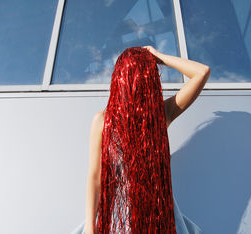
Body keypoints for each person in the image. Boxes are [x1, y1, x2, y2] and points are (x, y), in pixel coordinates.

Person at [71, 46, 210, 234]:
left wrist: (159, 57)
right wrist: (90, 225)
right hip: (117, 215)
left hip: (159, 216)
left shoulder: (159, 116)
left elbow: (202, 72)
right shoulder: (103, 121)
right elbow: (96, 177)